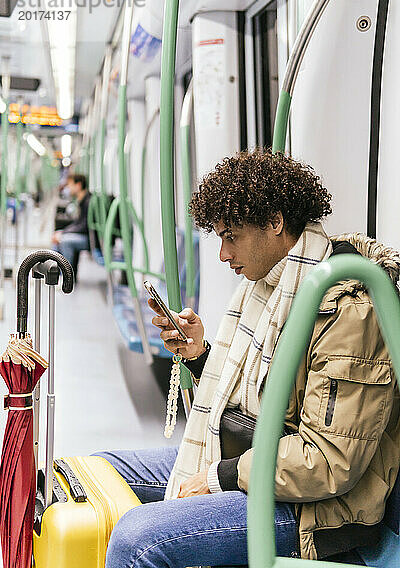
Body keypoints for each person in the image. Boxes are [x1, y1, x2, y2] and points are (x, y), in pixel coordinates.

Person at [95, 149, 400, 567]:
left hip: (317, 513)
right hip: (258, 460)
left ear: (275, 222)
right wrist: (201, 356)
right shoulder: (272, 286)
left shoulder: (349, 309)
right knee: (100, 470)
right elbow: (260, 402)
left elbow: (329, 460)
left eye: (231, 237)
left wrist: (219, 477)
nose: (223, 255)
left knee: (138, 541)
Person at [52, 173, 90, 275]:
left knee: (65, 241)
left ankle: (67, 276)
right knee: (57, 238)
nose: (68, 188)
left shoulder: (88, 202)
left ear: (78, 185)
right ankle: (57, 273)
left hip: (90, 239)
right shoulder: (82, 200)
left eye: (70, 185)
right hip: (84, 236)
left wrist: (63, 234)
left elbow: (84, 226)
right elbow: (78, 223)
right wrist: (62, 232)